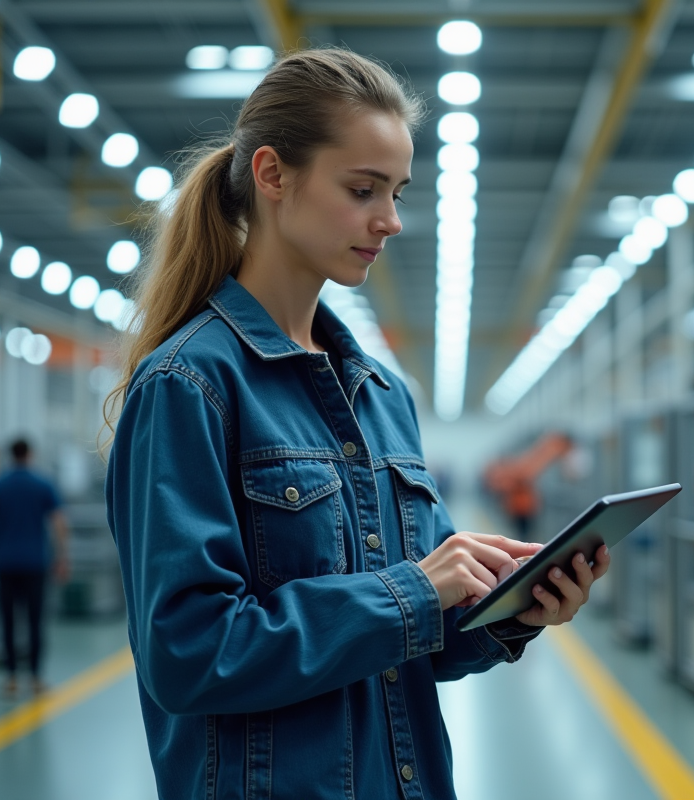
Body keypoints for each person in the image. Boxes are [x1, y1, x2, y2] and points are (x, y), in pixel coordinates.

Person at [103, 47, 611, 800]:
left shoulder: (381, 393)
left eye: (397, 192)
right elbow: (188, 653)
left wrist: (510, 612)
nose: (392, 220)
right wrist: (411, 589)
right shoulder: (189, 386)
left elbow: (416, 644)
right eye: (364, 189)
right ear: (274, 175)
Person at [0, 438, 69, 698]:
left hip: (4, 563)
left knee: (7, 620)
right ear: (30, 454)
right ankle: (36, 677)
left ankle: (11, 678)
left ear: (10, 455)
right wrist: (62, 557)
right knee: (35, 620)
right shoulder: (42, 484)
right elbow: (58, 523)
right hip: (35, 564)